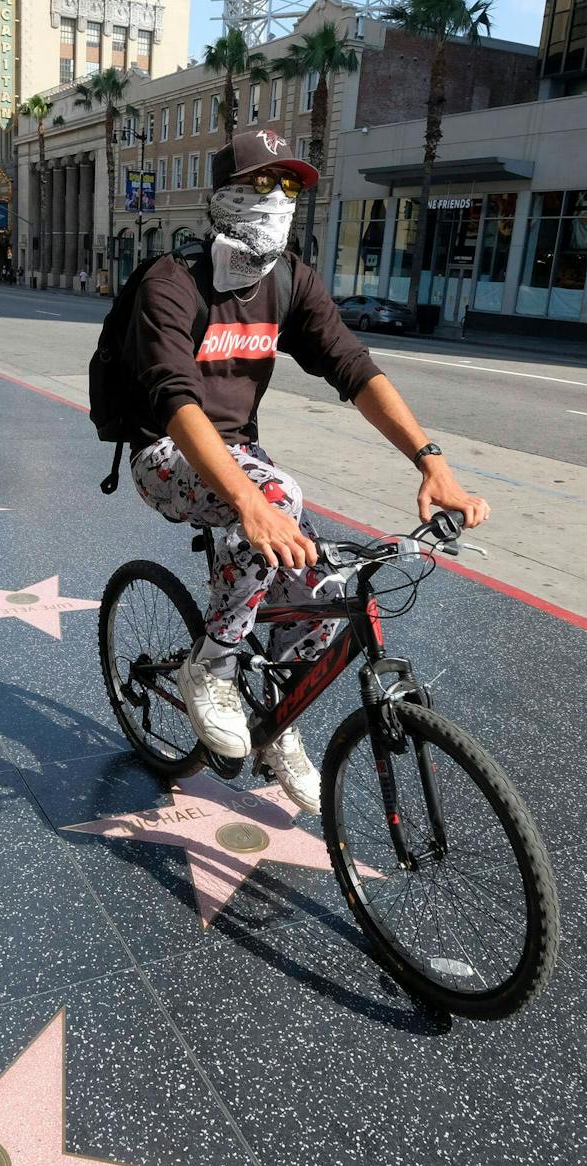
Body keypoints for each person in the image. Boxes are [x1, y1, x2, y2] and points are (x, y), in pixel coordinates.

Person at [120, 129, 489, 814]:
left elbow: (353, 366)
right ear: (222, 197)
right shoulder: (172, 284)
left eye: (289, 187)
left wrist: (430, 461)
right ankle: (213, 666)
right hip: (165, 452)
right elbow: (174, 399)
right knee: (275, 496)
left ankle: (276, 725)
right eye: (261, 184)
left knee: (324, 585)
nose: (278, 199)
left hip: (241, 460)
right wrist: (249, 501)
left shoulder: (289, 279)